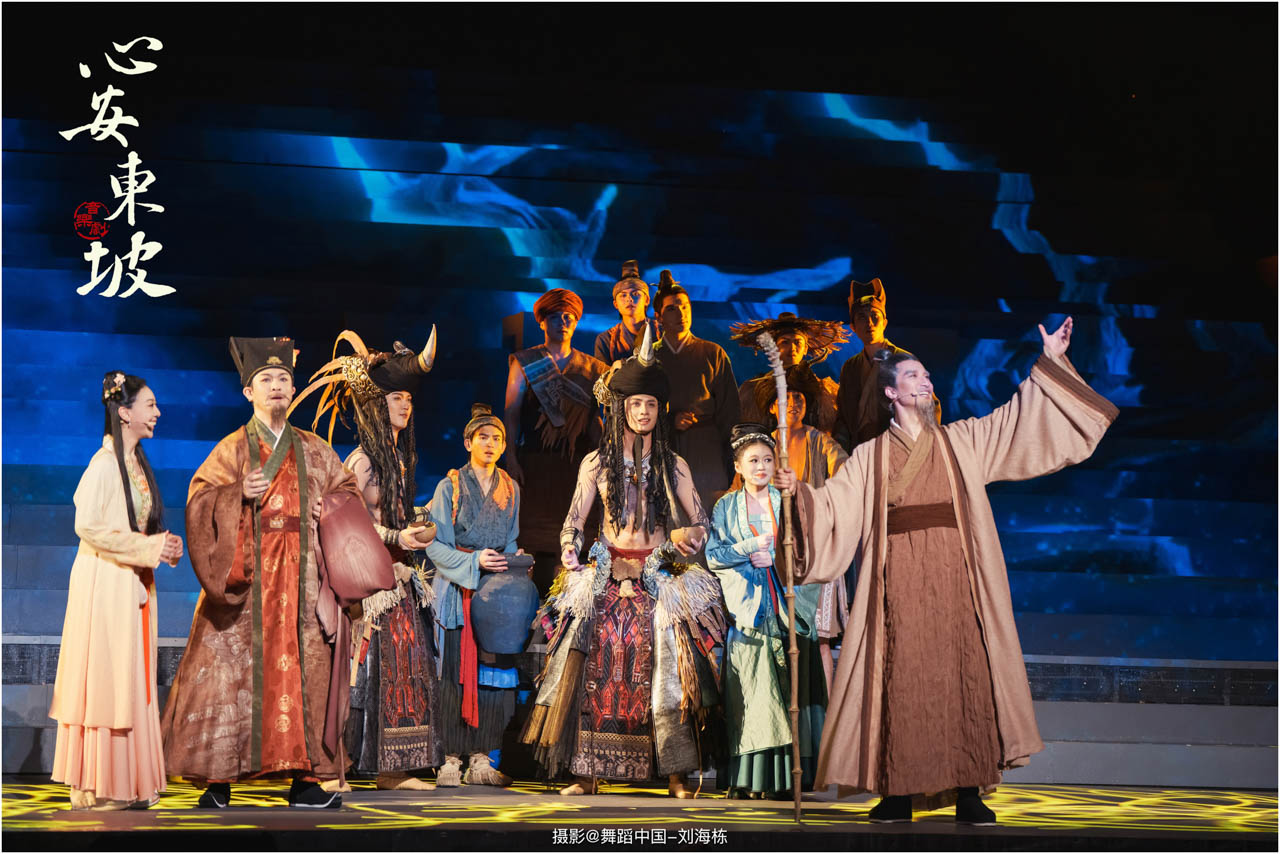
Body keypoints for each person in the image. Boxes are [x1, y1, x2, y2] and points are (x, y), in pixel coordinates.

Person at [775, 318, 1118, 824]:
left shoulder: (962, 440)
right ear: (891, 392)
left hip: (957, 576)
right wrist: (798, 495)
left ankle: (968, 789)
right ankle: (897, 790)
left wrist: (1048, 362)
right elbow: (832, 509)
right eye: (913, 375)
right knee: (900, 678)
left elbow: (1016, 420)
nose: (926, 381)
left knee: (963, 672)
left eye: (928, 375)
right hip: (897, 580)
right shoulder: (870, 457)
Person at [161, 337, 366, 809]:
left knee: (305, 674)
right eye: (266, 379)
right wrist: (236, 493)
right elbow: (199, 500)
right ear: (248, 392)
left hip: (303, 580)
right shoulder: (232, 449)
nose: (276, 386)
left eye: (283, 379)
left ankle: (305, 781)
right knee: (226, 675)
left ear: (292, 390)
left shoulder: (315, 449)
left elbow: (348, 492)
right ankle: (217, 782)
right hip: (246, 580)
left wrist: (330, 507)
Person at [522, 328, 726, 799]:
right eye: (636, 404)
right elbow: (574, 520)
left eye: (651, 404)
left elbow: (700, 521)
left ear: (660, 409)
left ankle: (676, 775)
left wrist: (692, 538)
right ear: (622, 409)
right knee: (589, 660)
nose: (644, 411)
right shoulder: (596, 463)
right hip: (606, 572)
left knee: (670, 669)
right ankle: (586, 773)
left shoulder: (674, 465)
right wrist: (570, 547)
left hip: (660, 575)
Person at [291, 331, 442, 792]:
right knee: (361, 673)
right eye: (396, 397)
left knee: (405, 669)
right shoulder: (361, 461)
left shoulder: (400, 457)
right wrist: (397, 535)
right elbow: (349, 524)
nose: (405, 404)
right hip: (368, 583)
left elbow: (392, 515)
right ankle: (337, 766)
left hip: (399, 575)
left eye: (408, 398)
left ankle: (395, 769)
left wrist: (417, 525)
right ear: (377, 404)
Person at [49, 372, 184, 810]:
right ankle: (98, 783)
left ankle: (128, 782)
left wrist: (161, 545)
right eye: (150, 405)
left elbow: (131, 525)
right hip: (104, 585)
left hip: (130, 584)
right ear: (124, 413)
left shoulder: (135, 464)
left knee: (130, 679)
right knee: (108, 681)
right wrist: (148, 547)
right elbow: (87, 525)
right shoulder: (104, 465)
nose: (157, 412)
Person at [705, 423, 825, 800]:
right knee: (752, 693)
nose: (761, 467)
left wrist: (775, 557)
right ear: (738, 466)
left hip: (787, 605)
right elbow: (714, 555)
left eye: (768, 460)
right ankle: (748, 778)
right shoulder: (726, 506)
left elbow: (807, 551)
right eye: (753, 460)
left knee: (789, 691)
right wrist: (748, 549)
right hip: (750, 611)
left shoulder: (788, 502)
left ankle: (787, 779)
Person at [423, 404, 523, 788]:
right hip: (456, 587)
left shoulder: (510, 488)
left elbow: (510, 540)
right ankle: (449, 758)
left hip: (495, 592)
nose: (490, 444)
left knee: (491, 677)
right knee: (452, 674)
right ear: (468, 443)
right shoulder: (449, 487)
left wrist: (513, 565)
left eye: (497, 438)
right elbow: (436, 545)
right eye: (483, 437)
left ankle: (481, 758)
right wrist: (473, 561)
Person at [504, 288, 607, 594]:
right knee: (537, 542)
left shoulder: (593, 368)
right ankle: (536, 610)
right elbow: (511, 413)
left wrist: (604, 463)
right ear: (542, 321)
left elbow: (595, 422)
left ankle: (572, 610)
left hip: (578, 466)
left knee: (578, 540)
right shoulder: (525, 362)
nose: (563, 322)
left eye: (569, 317)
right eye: (555, 317)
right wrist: (511, 458)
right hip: (535, 463)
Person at [767, 389, 848, 693]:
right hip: (774, 549)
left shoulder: (819, 441)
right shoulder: (764, 444)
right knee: (779, 636)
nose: (793, 405)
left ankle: (824, 710)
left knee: (820, 637)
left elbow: (845, 469)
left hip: (815, 548)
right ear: (772, 406)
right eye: (785, 399)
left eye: (799, 399)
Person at [652, 270, 740, 510]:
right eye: (672, 309)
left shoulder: (713, 353)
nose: (681, 313)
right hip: (663, 448)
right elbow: (635, 410)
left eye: (685, 307)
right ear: (659, 316)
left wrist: (732, 463)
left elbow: (730, 413)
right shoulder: (648, 357)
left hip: (706, 449)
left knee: (708, 517)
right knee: (668, 520)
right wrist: (669, 421)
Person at [833, 277, 940, 453]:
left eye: (874, 316)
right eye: (861, 317)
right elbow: (843, 419)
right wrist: (840, 455)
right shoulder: (850, 368)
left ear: (884, 322)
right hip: (859, 455)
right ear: (853, 327)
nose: (869, 323)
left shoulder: (904, 361)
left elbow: (929, 408)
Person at [733, 313, 847, 434]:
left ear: (805, 348)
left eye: (797, 342)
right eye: (785, 342)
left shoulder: (824, 391)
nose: (792, 348)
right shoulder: (753, 390)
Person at [594, 260, 660, 365]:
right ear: (616, 304)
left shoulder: (662, 332)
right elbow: (603, 374)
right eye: (623, 295)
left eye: (635, 294)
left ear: (647, 300)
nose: (629, 299)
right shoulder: (606, 340)